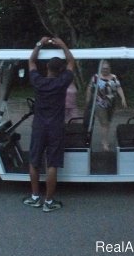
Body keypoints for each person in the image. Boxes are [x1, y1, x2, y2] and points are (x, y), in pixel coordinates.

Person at [23, 36, 75, 212]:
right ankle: (48, 202)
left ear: (46, 67)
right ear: (61, 70)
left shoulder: (38, 81)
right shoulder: (63, 82)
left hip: (39, 126)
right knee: (52, 164)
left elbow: (31, 61)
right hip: (55, 127)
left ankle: (35, 197)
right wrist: (63, 44)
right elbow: (71, 61)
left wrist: (39, 43)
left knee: (34, 161)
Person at [86, 60, 127, 151]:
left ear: (110, 68)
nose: (105, 70)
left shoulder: (114, 77)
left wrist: (123, 98)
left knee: (107, 122)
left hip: (112, 104)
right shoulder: (95, 77)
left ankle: (104, 139)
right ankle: (104, 142)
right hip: (100, 104)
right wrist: (88, 100)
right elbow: (89, 88)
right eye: (103, 68)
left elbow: (118, 87)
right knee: (104, 123)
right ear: (100, 68)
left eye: (107, 68)